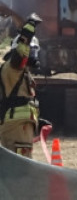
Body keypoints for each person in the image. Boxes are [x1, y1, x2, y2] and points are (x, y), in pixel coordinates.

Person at [0, 13, 42, 157]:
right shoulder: (13, 68)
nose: (33, 54)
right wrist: (28, 32)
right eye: (32, 50)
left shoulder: (22, 73)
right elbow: (20, 56)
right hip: (15, 128)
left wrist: (35, 119)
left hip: (20, 126)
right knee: (19, 169)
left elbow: (22, 98)